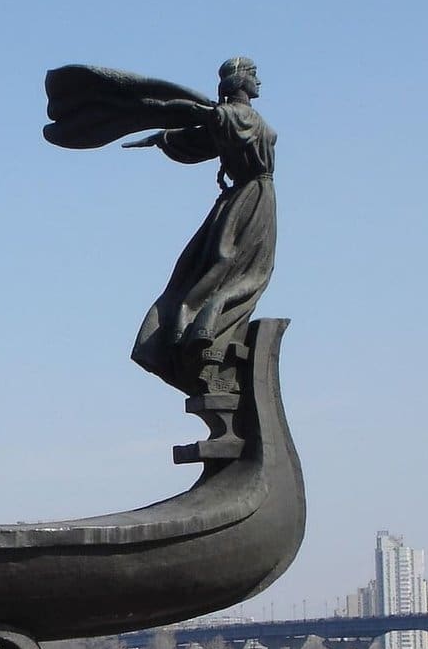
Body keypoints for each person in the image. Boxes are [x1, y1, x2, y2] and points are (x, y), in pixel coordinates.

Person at [44, 57, 276, 398]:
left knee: (220, 266)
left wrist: (164, 134)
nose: (260, 82)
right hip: (253, 198)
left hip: (238, 200)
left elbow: (204, 135)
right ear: (239, 80)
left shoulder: (231, 118)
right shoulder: (242, 116)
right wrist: (171, 121)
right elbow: (214, 122)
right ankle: (201, 323)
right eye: (254, 75)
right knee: (242, 272)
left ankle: (195, 322)